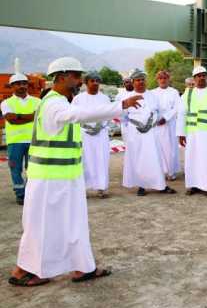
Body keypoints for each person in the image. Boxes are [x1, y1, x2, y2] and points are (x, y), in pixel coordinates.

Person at [8, 57, 143, 287]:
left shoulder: (61, 101)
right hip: (49, 180)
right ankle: (22, 271)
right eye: (76, 76)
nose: (80, 81)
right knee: (40, 226)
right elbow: (77, 115)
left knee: (75, 224)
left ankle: (84, 268)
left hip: (65, 178)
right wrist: (120, 106)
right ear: (61, 77)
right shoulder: (53, 103)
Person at [122, 69, 176, 196]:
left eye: (142, 79)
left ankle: (160, 185)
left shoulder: (153, 96)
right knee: (138, 159)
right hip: (135, 134)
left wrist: (154, 122)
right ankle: (142, 185)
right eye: (138, 80)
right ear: (133, 82)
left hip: (151, 133)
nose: (141, 82)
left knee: (154, 159)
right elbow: (123, 118)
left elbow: (159, 112)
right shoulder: (126, 98)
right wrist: (129, 133)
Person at [177, 66, 207, 196]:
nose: (201, 77)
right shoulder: (187, 93)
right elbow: (182, 114)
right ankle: (192, 185)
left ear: (206, 77)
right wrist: (180, 133)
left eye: (203, 75)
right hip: (191, 132)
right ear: (194, 79)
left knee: (206, 159)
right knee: (191, 159)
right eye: (198, 75)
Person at [1, 73, 40, 205]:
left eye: (24, 83)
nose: (22, 86)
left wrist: (19, 117)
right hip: (15, 142)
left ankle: (30, 193)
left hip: (34, 141)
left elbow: (40, 118)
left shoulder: (38, 101)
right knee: (15, 169)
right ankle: (20, 194)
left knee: (33, 169)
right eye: (18, 84)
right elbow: (11, 119)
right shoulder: (6, 103)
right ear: (12, 86)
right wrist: (32, 116)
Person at [71, 71, 111, 198]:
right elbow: (74, 115)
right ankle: (84, 188)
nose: (95, 83)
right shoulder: (78, 99)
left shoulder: (105, 98)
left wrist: (99, 126)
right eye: (92, 81)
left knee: (101, 159)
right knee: (85, 160)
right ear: (86, 83)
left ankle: (101, 188)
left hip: (101, 134)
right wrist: (86, 126)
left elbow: (109, 114)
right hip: (84, 134)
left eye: (97, 81)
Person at [152, 70, 181, 181]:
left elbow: (177, 107)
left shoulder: (174, 92)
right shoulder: (153, 92)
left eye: (165, 78)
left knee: (170, 148)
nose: (163, 80)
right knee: (158, 148)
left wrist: (166, 117)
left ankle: (170, 172)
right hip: (157, 124)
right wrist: (157, 118)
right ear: (157, 80)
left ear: (168, 79)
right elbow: (151, 107)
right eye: (160, 78)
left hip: (170, 124)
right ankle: (160, 171)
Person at [114, 77, 134, 143]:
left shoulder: (138, 93)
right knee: (127, 142)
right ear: (124, 84)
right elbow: (116, 109)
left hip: (137, 122)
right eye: (126, 82)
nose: (128, 84)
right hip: (125, 123)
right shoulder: (119, 96)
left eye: (130, 82)